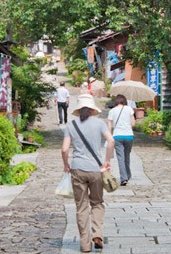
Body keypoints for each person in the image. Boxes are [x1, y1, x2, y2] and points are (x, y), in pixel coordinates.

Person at [62, 94, 114, 252]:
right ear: (92, 109)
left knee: (81, 207)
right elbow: (111, 141)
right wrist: (107, 160)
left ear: (78, 109)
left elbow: (64, 149)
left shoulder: (71, 125)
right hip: (96, 170)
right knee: (97, 203)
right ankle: (97, 234)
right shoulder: (99, 123)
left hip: (77, 169)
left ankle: (85, 245)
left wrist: (66, 164)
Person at [106, 94, 136, 186]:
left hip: (117, 136)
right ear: (124, 101)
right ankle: (127, 174)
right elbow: (133, 123)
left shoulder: (112, 111)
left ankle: (124, 178)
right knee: (127, 156)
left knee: (120, 158)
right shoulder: (129, 109)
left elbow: (109, 126)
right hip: (129, 136)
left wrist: (109, 136)